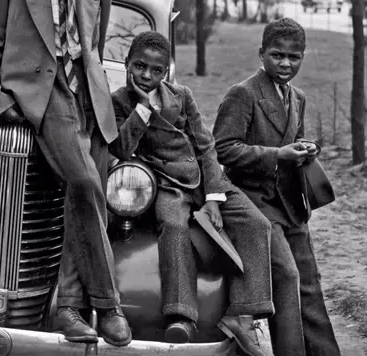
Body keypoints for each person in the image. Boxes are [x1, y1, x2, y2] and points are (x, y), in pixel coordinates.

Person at [0, 0, 131, 347]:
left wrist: (95, 88)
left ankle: (67, 308)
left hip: (91, 100)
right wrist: (1, 103)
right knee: (85, 185)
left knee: (81, 201)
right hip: (43, 93)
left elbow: (94, 45)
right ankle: (109, 306)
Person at [109, 31, 273, 355]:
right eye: (139, 66)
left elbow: (205, 145)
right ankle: (181, 315)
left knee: (257, 224)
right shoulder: (118, 102)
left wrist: (214, 196)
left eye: (155, 70)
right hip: (166, 183)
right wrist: (142, 111)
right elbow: (121, 148)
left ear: (165, 71)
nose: (146, 75)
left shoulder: (181, 95)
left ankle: (243, 312)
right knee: (173, 225)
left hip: (204, 180)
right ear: (127, 64)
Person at [213, 18, 340, 356]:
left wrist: (305, 148)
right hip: (251, 202)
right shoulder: (243, 94)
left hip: (288, 202)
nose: (285, 64)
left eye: (294, 57)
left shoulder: (296, 97)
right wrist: (277, 155)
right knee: (286, 276)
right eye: (277, 55)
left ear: (303, 57)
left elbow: (290, 140)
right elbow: (222, 149)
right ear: (261, 54)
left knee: (309, 282)